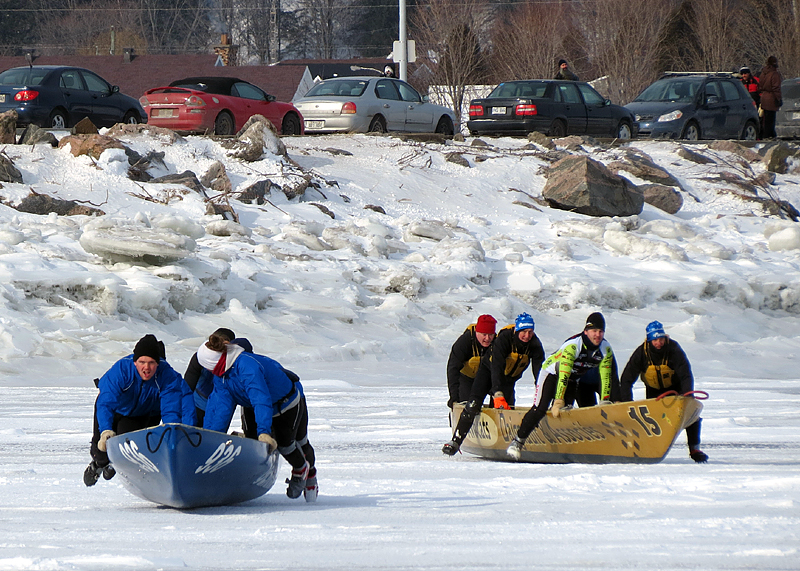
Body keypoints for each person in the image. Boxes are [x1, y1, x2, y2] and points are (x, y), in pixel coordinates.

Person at [198, 331, 317, 501]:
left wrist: (264, 432)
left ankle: (303, 469)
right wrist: (211, 438)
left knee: (289, 443)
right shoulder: (221, 375)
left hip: (286, 404)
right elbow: (220, 408)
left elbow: (260, 398)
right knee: (254, 442)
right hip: (257, 405)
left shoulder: (247, 366)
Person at [506, 312, 615, 459]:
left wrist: (605, 400)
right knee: (541, 408)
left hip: (573, 378)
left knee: (566, 411)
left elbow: (606, 376)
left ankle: (564, 443)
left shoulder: (605, 348)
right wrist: (558, 400)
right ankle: (517, 442)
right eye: (594, 331)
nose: (598, 335)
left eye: (601, 331)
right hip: (552, 374)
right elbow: (563, 375)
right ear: (586, 331)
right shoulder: (573, 345)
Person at [83, 334, 185, 487]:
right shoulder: (122, 369)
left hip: (138, 414)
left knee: (125, 449)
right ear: (135, 361)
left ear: (158, 363)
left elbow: (170, 409)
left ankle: (115, 463)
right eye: (142, 362)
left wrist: (172, 432)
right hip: (113, 408)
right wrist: (105, 430)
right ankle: (98, 464)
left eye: (151, 363)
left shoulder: (167, 375)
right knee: (101, 450)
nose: (146, 368)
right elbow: (105, 403)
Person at [442, 312, 545, 456]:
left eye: (530, 332)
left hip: (507, 379)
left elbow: (540, 371)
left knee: (506, 410)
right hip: (486, 372)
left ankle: (506, 441)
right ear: (517, 330)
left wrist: (543, 394)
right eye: (523, 331)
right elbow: (495, 367)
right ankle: (456, 441)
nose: (527, 336)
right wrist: (497, 393)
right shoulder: (502, 339)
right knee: (472, 404)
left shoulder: (535, 344)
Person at [619, 321, 708, 463]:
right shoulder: (642, 353)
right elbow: (626, 379)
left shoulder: (673, 349)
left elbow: (685, 374)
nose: (659, 343)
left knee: (692, 417)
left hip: (676, 389)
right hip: (654, 392)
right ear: (649, 340)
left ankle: (694, 449)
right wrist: (626, 403)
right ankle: (649, 449)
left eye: (661, 339)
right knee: (651, 421)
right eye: (655, 340)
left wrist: (687, 396)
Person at [183, 327, 257, 437]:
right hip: (197, 406)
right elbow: (186, 391)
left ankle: (251, 437)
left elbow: (246, 347)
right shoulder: (200, 358)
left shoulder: (235, 361)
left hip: (221, 407)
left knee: (212, 438)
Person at [446, 314, 497, 409]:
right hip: (467, 378)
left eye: (490, 335)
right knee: (467, 404)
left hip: (487, 378)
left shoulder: (496, 343)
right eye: (484, 334)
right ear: (477, 332)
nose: (487, 338)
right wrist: (454, 396)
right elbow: (453, 369)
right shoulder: (465, 342)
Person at [758, 55, 783, 139]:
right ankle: (768, 136)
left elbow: (760, 86)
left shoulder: (763, 73)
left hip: (764, 97)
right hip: (771, 98)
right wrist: (778, 99)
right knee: (771, 120)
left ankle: (770, 135)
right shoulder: (774, 74)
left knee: (766, 119)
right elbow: (776, 88)